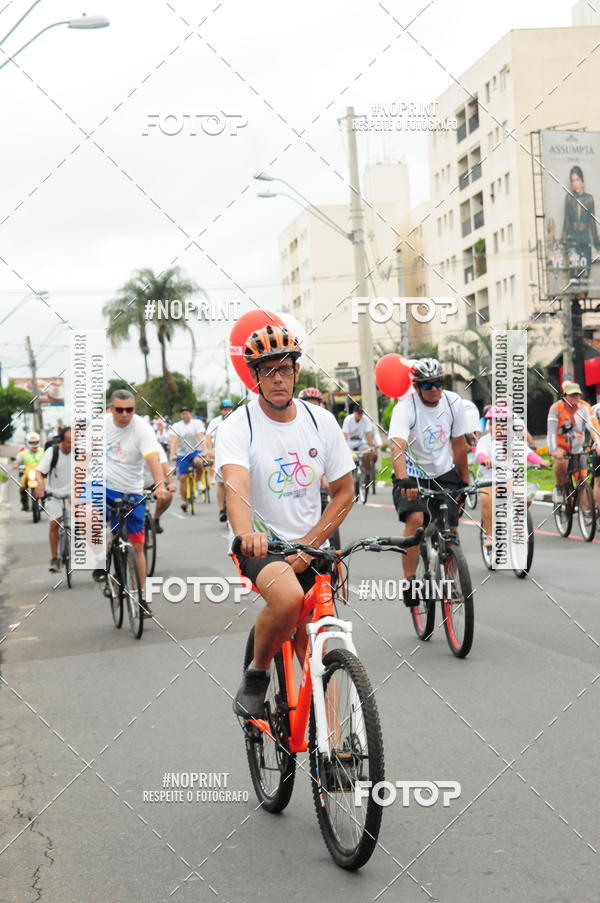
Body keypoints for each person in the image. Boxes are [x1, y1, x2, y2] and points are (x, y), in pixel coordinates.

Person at [216, 324, 354, 718]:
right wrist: (246, 535)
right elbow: (236, 487)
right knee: (289, 599)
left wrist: (311, 545)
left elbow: (345, 492)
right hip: (263, 546)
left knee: (318, 649)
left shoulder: (321, 421)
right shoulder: (237, 425)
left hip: (312, 546)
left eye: (284, 368)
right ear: (255, 377)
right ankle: (258, 673)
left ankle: (332, 743)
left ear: (296, 372)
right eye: (267, 370)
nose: (277, 378)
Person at [388, 358, 469, 607]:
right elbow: (397, 447)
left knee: (450, 529)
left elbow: (458, 443)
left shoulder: (453, 402)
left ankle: (451, 581)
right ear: (416, 387)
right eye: (427, 385)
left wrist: (465, 482)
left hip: (444, 472)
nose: (433, 389)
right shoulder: (405, 408)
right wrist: (403, 481)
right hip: (412, 473)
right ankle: (410, 580)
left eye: (438, 383)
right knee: (416, 520)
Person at [93, 390, 169, 618]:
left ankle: (142, 597)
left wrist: (160, 485)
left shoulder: (142, 428)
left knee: (137, 547)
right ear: (111, 409)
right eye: (119, 410)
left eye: (129, 410)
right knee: (88, 515)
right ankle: (98, 558)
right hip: (101, 485)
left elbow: (153, 458)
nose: (124, 414)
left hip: (131, 490)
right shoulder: (99, 426)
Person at [476, 407, 549, 548]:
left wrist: (540, 461)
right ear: (489, 426)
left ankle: (518, 522)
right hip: (488, 479)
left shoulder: (513, 441)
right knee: (486, 498)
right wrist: (485, 459)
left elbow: (527, 453)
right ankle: (490, 534)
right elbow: (480, 454)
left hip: (508, 478)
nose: (499, 426)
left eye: (503, 423)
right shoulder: (485, 441)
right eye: (494, 423)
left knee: (525, 493)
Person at [548, 381, 600, 503]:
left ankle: (586, 514)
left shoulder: (585, 407)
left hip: (578, 447)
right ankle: (560, 488)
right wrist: (554, 449)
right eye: (572, 395)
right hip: (561, 446)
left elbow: (593, 426)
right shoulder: (556, 409)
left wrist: (598, 443)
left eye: (577, 395)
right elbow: (551, 432)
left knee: (582, 479)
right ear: (564, 396)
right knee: (562, 462)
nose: (575, 398)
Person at [34, 426, 72, 571]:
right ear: (61, 441)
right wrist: (39, 485)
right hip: (54, 495)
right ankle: (54, 558)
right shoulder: (52, 452)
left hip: (72, 496)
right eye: (69, 442)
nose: (72, 445)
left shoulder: (80, 453)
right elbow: (39, 471)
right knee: (55, 524)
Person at [561, 166, 600, 300]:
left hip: (585, 241)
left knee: (584, 277)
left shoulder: (589, 199)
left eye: (577, 179)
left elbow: (592, 224)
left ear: (582, 180)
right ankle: (576, 305)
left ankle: (582, 302)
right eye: (572, 180)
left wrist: (597, 245)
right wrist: (562, 244)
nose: (575, 183)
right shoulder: (569, 199)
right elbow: (566, 223)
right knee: (574, 278)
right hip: (573, 242)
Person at [168, 406, 206, 512]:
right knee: (183, 478)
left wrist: (204, 451)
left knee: (199, 462)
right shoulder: (177, 426)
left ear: (191, 414)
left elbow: (200, 436)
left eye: (187, 413)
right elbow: (174, 440)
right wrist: (172, 454)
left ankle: (198, 482)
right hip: (182, 453)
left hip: (195, 451)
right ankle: (184, 500)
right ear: (181, 415)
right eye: (183, 413)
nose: (185, 415)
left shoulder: (197, 423)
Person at [205, 399, 234, 522]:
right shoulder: (215, 422)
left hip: (234, 453)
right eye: (224, 409)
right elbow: (208, 437)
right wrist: (210, 450)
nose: (227, 412)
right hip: (220, 454)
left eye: (229, 409)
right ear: (221, 411)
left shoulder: (238, 420)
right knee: (221, 483)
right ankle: (222, 509)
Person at [143, 443, 176, 533]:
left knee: (167, 496)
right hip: (133, 485)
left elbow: (164, 466)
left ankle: (155, 519)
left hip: (153, 483)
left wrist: (171, 483)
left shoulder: (156, 446)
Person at [342, 403, 377, 484]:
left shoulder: (366, 420)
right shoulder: (348, 419)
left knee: (368, 451)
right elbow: (345, 436)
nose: (360, 416)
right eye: (358, 413)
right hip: (349, 443)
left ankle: (367, 471)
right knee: (349, 456)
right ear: (354, 412)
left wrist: (371, 446)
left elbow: (368, 435)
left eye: (361, 414)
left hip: (361, 443)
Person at [14, 432, 44, 512]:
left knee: (47, 485)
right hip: (27, 474)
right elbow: (17, 462)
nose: (34, 444)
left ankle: (44, 503)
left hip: (40, 473)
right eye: (31, 442)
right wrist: (16, 465)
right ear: (27, 442)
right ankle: (25, 505)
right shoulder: (23, 453)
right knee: (21, 486)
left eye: (36, 442)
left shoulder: (43, 451)